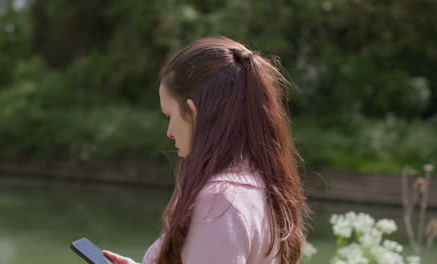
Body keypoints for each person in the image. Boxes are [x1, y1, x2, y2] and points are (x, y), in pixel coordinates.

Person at [102, 36, 310, 264]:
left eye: (169, 115)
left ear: (193, 112)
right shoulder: (262, 184)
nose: (169, 132)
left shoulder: (220, 201)